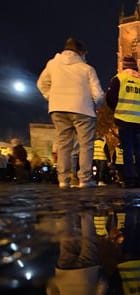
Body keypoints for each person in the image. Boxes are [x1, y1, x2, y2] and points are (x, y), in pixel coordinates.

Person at [37, 37, 104, 189]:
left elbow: (41, 84)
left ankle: (63, 180)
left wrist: (51, 97)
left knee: (64, 145)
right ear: (80, 52)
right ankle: (85, 179)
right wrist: (96, 105)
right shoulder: (87, 69)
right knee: (86, 144)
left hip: (58, 109)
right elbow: (98, 94)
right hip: (83, 110)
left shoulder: (52, 64)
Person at [105, 56, 140, 189]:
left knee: (127, 150)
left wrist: (118, 108)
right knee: (139, 150)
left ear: (124, 67)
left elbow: (110, 98)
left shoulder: (120, 78)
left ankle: (130, 179)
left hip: (125, 119)